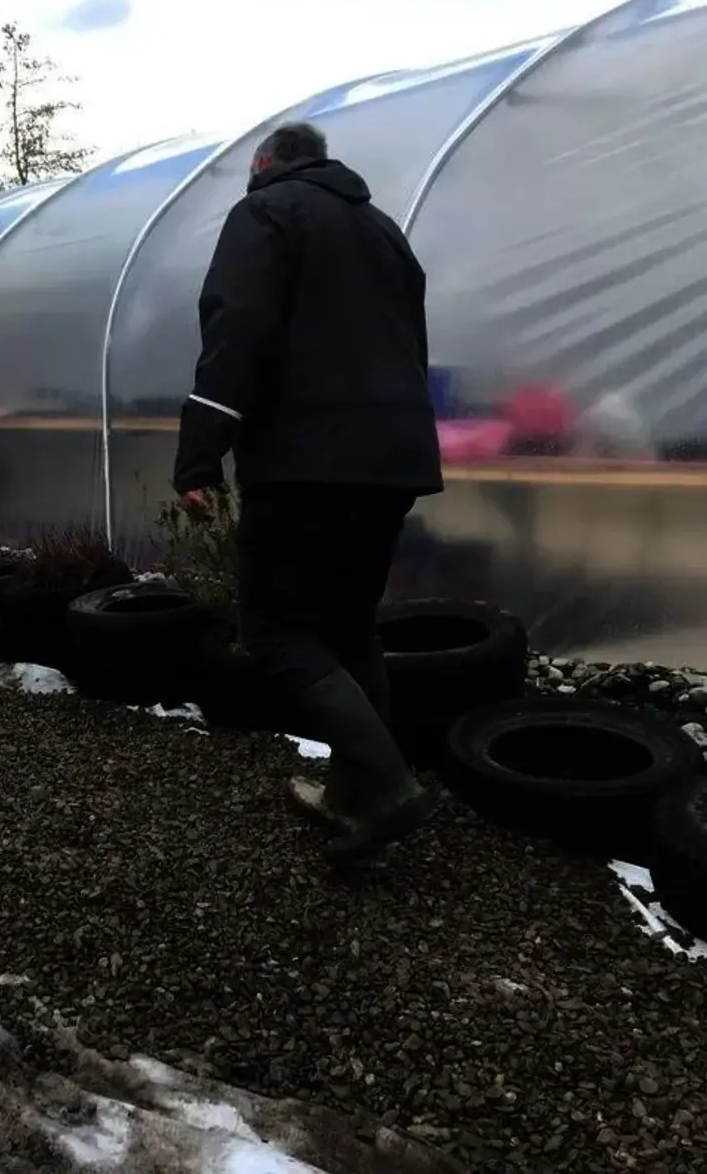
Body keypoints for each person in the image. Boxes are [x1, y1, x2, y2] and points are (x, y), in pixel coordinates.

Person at [171, 121, 444, 862]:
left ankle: (388, 785)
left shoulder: (266, 210)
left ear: (266, 162)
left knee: (274, 629)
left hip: (307, 459)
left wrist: (199, 456)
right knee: (351, 627)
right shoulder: (384, 231)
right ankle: (355, 798)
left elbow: (237, 328)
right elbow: (410, 346)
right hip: (394, 458)